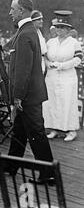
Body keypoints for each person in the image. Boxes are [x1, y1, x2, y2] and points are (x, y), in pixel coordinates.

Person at [5, 0, 54, 184]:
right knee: (19, 130)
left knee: (36, 132)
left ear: (22, 11)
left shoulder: (25, 33)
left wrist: (17, 97)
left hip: (28, 96)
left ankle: (49, 173)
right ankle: (10, 166)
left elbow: (23, 70)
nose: (10, 12)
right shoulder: (27, 30)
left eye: (13, 9)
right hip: (30, 94)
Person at [43, 10, 82, 142]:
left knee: (67, 102)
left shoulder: (73, 42)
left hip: (67, 77)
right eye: (57, 27)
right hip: (52, 76)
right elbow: (45, 58)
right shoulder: (51, 42)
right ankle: (54, 128)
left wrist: (62, 65)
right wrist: (48, 64)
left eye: (62, 28)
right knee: (52, 102)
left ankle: (71, 130)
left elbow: (78, 60)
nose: (59, 30)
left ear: (68, 29)